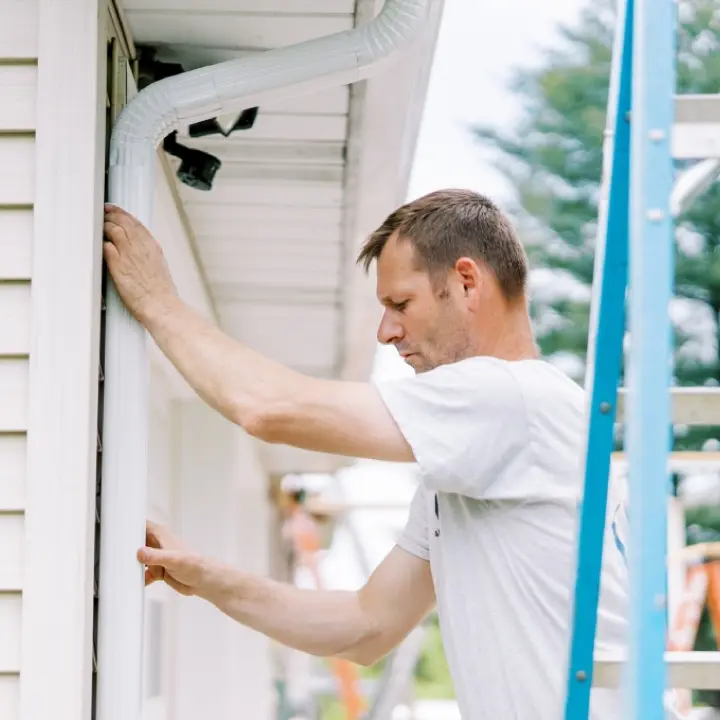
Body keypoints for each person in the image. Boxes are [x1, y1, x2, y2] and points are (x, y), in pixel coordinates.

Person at [103, 189, 629, 719]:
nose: (387, 332)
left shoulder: (506, 397)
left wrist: (156, 300)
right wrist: (208, 578)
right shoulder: (471, 463)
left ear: (466, 282)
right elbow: (366, 625)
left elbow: (268, 407)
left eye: (400, 304)